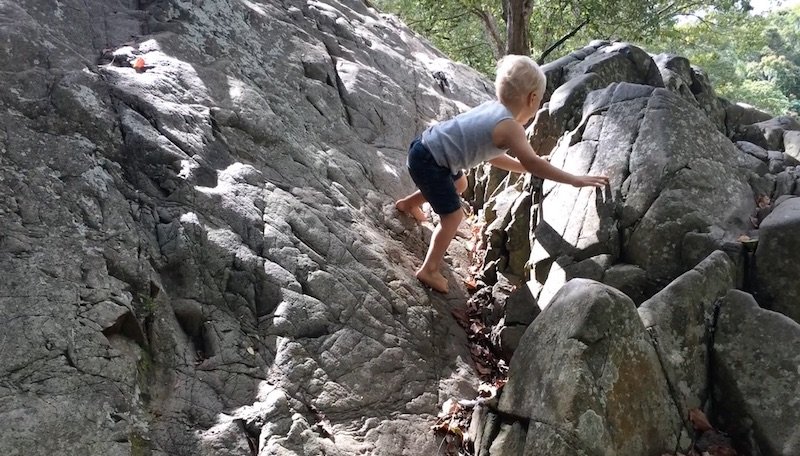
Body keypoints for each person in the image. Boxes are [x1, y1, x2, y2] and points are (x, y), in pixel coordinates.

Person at [395, 55, 609, 293]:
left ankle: (407, 204)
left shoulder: (494, 110)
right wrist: (574, 180)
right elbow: (533, 162)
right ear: (533, 98)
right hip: (431, 162)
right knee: (453, 218)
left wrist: (524, 166)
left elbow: (490, 154)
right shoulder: (510, 127)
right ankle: (430, 269)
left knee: (460, 185)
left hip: (427, 149)